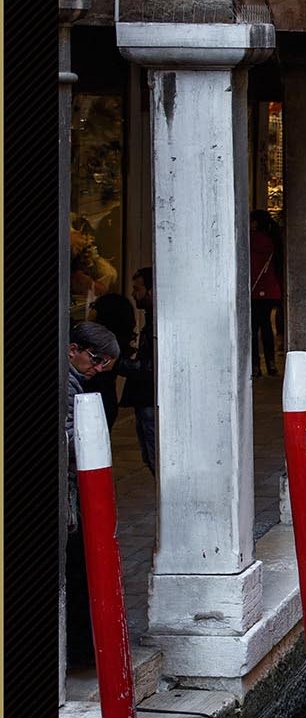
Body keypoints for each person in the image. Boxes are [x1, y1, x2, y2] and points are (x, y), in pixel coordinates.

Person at [66, 321, 120, 667]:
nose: (98, 369)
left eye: (105, 365)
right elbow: (72, 442)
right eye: (96, 360)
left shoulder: (77, 383)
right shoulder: (68, 388)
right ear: (73, 349)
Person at [117, 268, 157, 475]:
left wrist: (117, 363)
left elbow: (149, 368)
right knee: (150, 456)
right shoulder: (151, 321)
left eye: (137, 289)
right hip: (146, 398)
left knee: (153, 457)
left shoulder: (156, 324)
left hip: (149, 398)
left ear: (151, 291)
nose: (133, 294)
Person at [89, 289, 136, 428]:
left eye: (94, 308)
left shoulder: (102, 343)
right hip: (106, 398)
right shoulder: (116, 343)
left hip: (97, 398)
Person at [249, 210, 284, 378]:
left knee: (253, 330)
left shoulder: (250, 241)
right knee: (267, 328)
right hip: (270, 290)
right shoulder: (273, 240)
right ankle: (271, 364)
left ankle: (255, 366)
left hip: (254, 291)